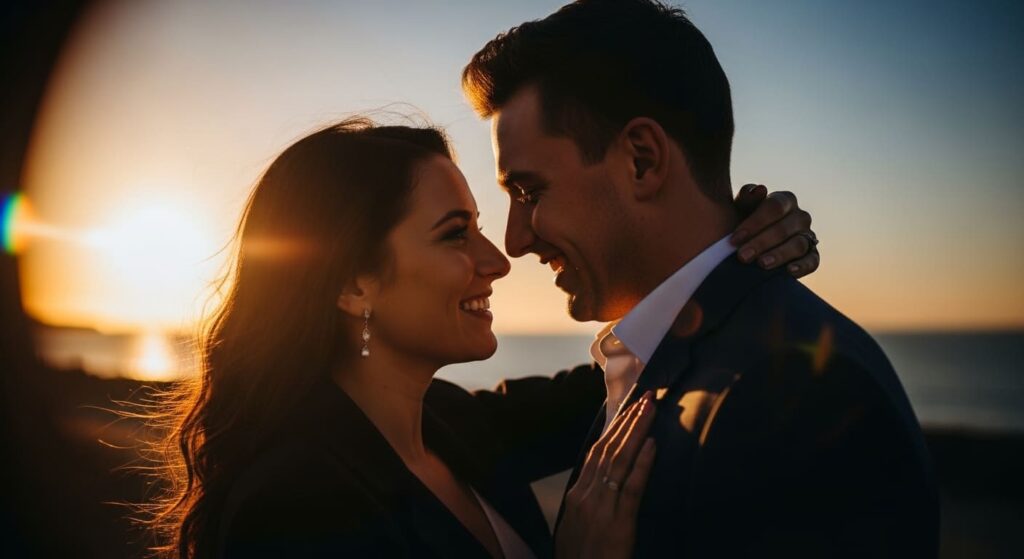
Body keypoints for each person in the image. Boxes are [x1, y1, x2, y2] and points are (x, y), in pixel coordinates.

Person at [146, 117, 819, 558]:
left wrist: (734, 250)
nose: (498, 261)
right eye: (453, 234)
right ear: (353, 285)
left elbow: (636, 372)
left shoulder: (454, 425)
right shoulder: (293, 508)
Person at [461, 0, 940, 556]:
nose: (514, 242)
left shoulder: (802, 397)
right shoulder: (653, 362)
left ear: (642, 159)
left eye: (529, 192)